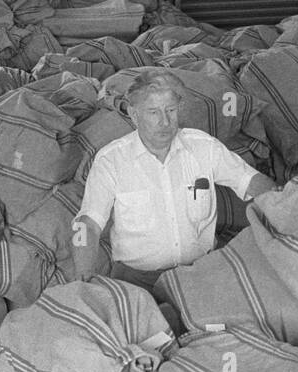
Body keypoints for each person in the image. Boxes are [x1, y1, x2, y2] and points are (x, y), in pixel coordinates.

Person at [71, 72, 276, 291]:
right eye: (153, 112)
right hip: (136, 281)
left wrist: (288, 203)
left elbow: (251, 181)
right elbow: (87, 224)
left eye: (170, 110)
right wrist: (83, 279)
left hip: (199, 272)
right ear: (134, 114)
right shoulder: (111, 160)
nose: (165, 122)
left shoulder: (203, 146)